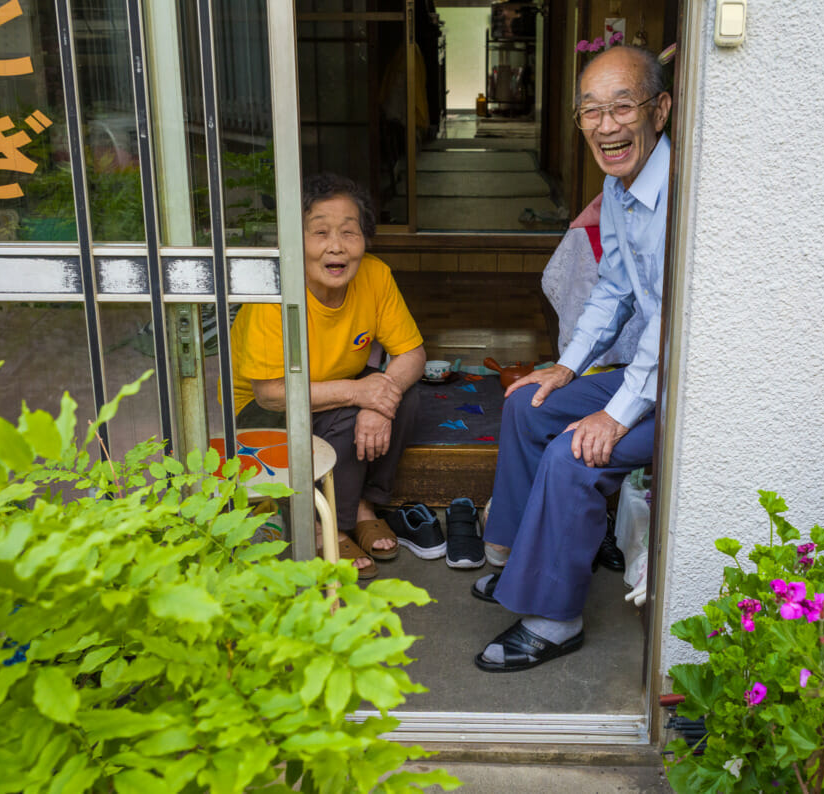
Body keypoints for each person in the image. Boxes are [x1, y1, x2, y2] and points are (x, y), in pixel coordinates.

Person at [471, 45, 672, 671]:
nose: (606, 125)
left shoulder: (682, 195)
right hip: (648, 374)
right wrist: (569, 365)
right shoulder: (619, 187)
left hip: (687, 389)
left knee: (577, 450)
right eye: (591, 111)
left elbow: (672, 321)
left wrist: (614, 415)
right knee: (532, 404)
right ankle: (514, 561)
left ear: (659, 110)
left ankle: (554, 617)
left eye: (623, 106)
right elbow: (614, 287)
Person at [229, 173, 426, 579]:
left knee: (405, 398)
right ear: (293, 241)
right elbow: (269, 395)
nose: (336, 246)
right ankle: (324, 526)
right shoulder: (273, 294)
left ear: (365, 239)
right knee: (350, 411)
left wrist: (379, 396)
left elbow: (412, 352)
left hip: (339, 389)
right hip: (264, 414)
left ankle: (364, 506)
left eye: (349, 233)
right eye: (320, 233)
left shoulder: (375, 276)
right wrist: (359, 393)